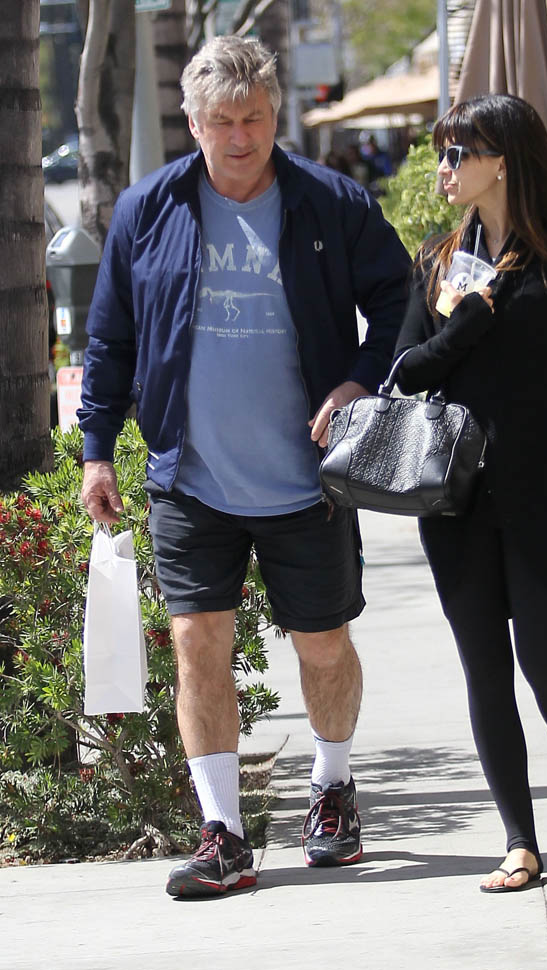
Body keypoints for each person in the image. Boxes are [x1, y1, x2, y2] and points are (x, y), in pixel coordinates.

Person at [78, 35, 410, 898]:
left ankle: (332, 786)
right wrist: (96, 449)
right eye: (221, 121)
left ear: (275, 115)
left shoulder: (330, 202)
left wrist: (359, 381)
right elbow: (109, 339)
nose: (239, 137)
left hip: (308, 477)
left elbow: (398, 297)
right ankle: (222, 831)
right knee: (198, 643)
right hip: (190, 476)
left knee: (324, 645)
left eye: (254, 118)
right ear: (192, 123)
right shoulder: (146, 210)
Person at [394, 94, 547, 893]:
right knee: (485, 669)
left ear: (503, 162)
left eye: (458, 152)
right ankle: (519, 841)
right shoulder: (437, 261)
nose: (445, 168)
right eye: (444, 152)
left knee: (543, 655)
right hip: (455, 500)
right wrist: (465, 325)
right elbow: (406, 371)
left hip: (546, 494)